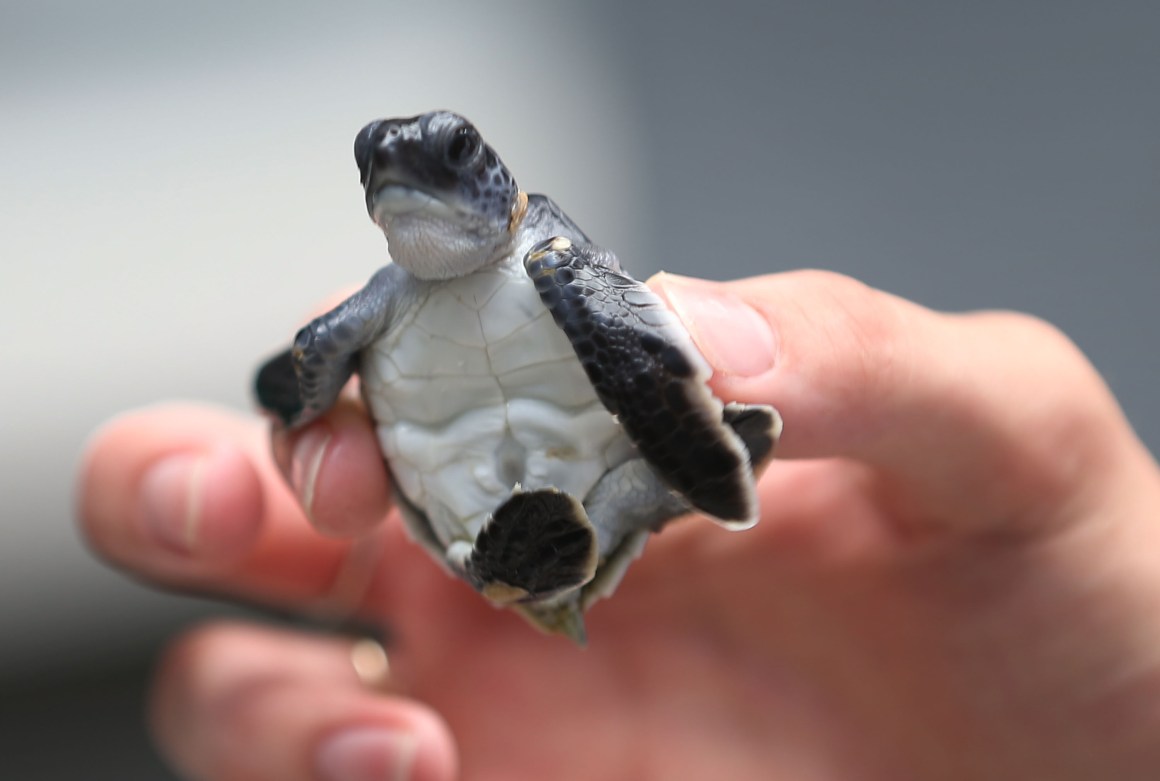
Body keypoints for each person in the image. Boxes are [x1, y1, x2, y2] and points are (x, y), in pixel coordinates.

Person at [78, 270, 1160, 781]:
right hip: (465, 513)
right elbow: (300, 375)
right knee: (342, 421)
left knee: (651, 441)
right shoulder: (376, 303)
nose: (414, 181)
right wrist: (296, 391)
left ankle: (591, 525)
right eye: (387, 172)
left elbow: (633, 347)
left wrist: (699, 449)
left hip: (596, 488)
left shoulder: (543, 254)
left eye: (449, 158)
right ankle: (529, 553)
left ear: (493, 182)